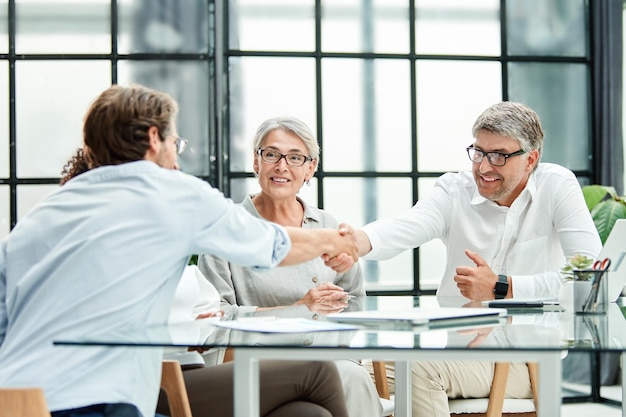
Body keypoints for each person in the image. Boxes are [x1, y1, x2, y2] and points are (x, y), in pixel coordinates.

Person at [0, 84, 357, 417]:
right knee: (319, 373)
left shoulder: (44, 214)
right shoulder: (169, 193)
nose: (176, 155)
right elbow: (272, 246)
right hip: (99, 399)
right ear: (155, 139)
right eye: (176, 141)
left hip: (17, 400)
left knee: (305, 414)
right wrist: (337, 241)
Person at [334, 101, 602, 417]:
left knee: (419, 367)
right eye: (478, 152)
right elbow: (408, 226)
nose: (484, 167)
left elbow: (590, 277)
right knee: (344, 375)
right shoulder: (454, 189)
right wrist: (358, 242)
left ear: (531, 159)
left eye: (499, 156)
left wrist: (503, 286)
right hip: (454, 348)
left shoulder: (557, 185)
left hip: (525, 358)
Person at [57, 148, 351, 417]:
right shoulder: (94, 254)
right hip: (149, 383)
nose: (175, 167)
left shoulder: (159, 250)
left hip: (192, 369)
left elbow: (214, 312)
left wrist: (203, 327)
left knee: (308, 414)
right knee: (317, 371)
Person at [198, 116, 384, 417]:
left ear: (310, 168)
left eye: (295, 158)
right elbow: (217, 324)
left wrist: (335, 330)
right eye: (271, 154)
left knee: (351, 376)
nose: (281, 166)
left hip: (326, 357)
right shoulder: (229, 229)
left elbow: (355, 305)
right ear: (256, 162)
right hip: (260, 365)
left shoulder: (328, 226)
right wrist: (301, 308)